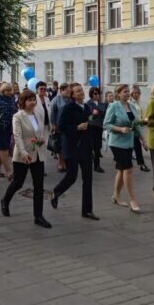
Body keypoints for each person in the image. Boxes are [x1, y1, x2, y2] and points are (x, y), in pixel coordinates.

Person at [1, 90, 51, 228]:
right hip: (23, 155)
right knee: (18, 182)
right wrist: (23, 153)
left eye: (33, 100)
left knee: (39, 185)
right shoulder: (18, 116)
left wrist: (41, 140)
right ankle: (5, 200)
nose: (33, 102)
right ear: (23, 102)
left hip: (38, 154)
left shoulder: (38, 115)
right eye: (29, 100)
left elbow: (40, 132)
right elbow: (17, 136)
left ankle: (38, 216)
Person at [50, 83, 98, 220]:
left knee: (88, 179)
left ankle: (87, 211)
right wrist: (76, 127)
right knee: (72, 176)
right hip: (72, 147)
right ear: (72, 95)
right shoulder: (68, 108)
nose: (81, 93)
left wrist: (92, 123)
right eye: (77, 91)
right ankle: (56, 191)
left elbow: (90, 124)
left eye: (81, 90)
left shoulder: (87, 107)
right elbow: (61, 127)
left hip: (86, 148)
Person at [104, 84, 142, 212]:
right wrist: (120, 129)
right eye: (125, 92)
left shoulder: (131, 106)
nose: (127, 93)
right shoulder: (113, 106)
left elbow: (136, 124)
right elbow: (106, 124)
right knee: (128, 169)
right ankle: (132, 199)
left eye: (128, 91)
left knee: (121, 169)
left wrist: (143, 140)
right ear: (118, 94)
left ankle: (116, 196)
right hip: (117, 143)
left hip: (129, 142)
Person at [0, 83, 17, 179]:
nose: (10, 92)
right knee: (3, 148)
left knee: (4, 147)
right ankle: (9, 171)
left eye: (11, 90)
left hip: (10, 127)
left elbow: (14, 111)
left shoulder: (12, 98)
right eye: (7, 90)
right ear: (2, 91)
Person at [128, 85, 150, 173]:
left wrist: (143, 120)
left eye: (138, 93)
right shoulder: (130, 103)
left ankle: (141, 164)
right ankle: (129, 164)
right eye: (135, 93)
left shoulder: (138, 102)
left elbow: (140, 114)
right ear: (132, 93)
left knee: (137, 146)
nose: (137, 95)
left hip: (138, 126)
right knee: (132, 146)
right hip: (132, 127)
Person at [49, 83, 71, 172]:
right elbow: (52, 113)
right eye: (67, 90)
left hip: (68, 127)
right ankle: (60, 163)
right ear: (61, 91)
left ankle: (65, 162)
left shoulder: (70, 100)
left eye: (69, 91)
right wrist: (53, 125)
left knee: (66, 146)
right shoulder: (56, 100)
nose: (68, 92)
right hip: (58, 126)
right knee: (59, 146)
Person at [85, 87, 106, 173]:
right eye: (95, 93)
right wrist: (93, 114)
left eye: (98, 93)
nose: (97, 95)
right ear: (91, 95)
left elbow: (104, 114)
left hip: (99, 127)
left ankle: (97, 165)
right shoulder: (88, 104)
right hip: (91, 127)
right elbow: (88, 115)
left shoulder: (102, 104)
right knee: (90, 146)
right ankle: (88, 163)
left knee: (98, 147)